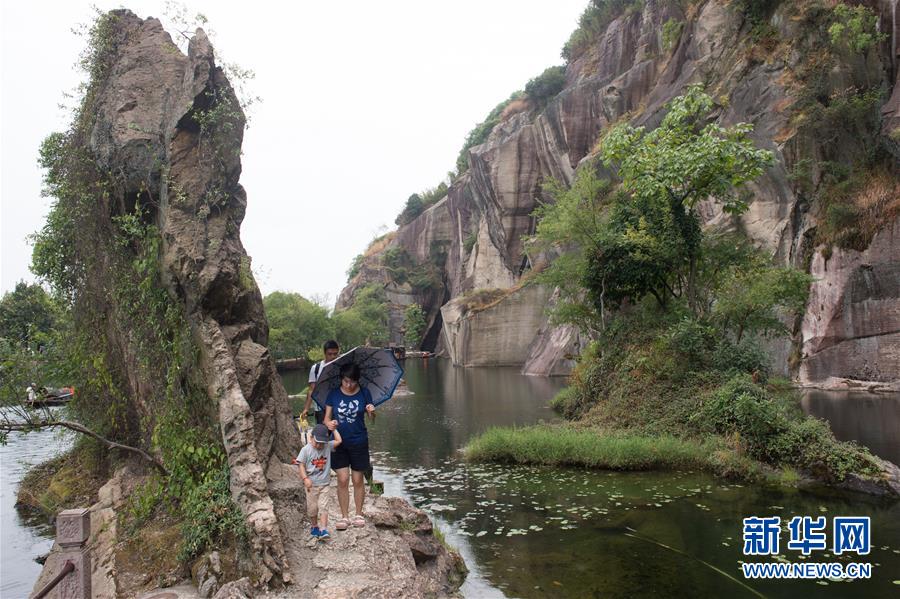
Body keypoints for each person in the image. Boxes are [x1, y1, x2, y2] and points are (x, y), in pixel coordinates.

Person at [324, 362, 375, 530]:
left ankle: (358, 514)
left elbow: (372, 419)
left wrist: (371, 411)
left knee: (358, 479)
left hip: (359, 440)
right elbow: (326, 418)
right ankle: (344, 516)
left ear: (357, 380)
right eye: (346, 381)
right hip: (339, 442)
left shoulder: (365, 393)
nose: (349, 385)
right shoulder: (333, 394)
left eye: (352, 381)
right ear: (341, 379)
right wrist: (329, 424)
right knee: (343, 479)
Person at [296, 423, 342, 539]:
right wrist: (305, 478)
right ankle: (314, 526)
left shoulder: (327, 447)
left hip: (325, 484)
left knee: (323, 506)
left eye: (322, 443)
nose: (319, 446)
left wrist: (334, 429)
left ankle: (323, 529)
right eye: (317, 443)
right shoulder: (305, 450)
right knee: (312, 508)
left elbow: (339, 441)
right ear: (311, 438)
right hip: (311, 485)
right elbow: (301, 465)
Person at [301, 340, 340, 425]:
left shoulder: (341, 367)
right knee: (323, 434)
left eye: (335, 354)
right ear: (325, 353)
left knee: (339, 435)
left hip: (338, 407)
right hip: (320, 408)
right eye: (330, 354)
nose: (333, 356)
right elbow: (311, 389)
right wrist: (306, 408)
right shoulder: (316, 368)